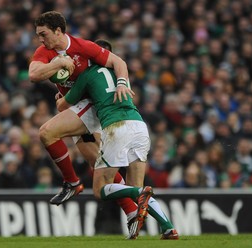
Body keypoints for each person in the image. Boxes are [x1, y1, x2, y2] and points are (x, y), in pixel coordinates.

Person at [56, 61, 179, 239]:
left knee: (100, 189)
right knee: (137, 188)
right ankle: (168, 228)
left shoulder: (89, 74)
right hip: (139, 126)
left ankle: (137, 193)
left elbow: (63, 105)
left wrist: (59, 96)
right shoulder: (119, 74)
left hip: (117, 127)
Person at [29, 11, 133, 206]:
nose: (40, 39)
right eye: (38, 35)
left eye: (43, 34)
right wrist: (59, 62)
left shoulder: (82, 47)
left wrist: (121, 83)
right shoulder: (45, 51)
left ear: (58, 31)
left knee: (46, 132)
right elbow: (34, 74)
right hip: (75, 108)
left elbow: (118, 62)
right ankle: (134, 211)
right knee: (97, 163)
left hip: (92, 105)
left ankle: (72, 182)